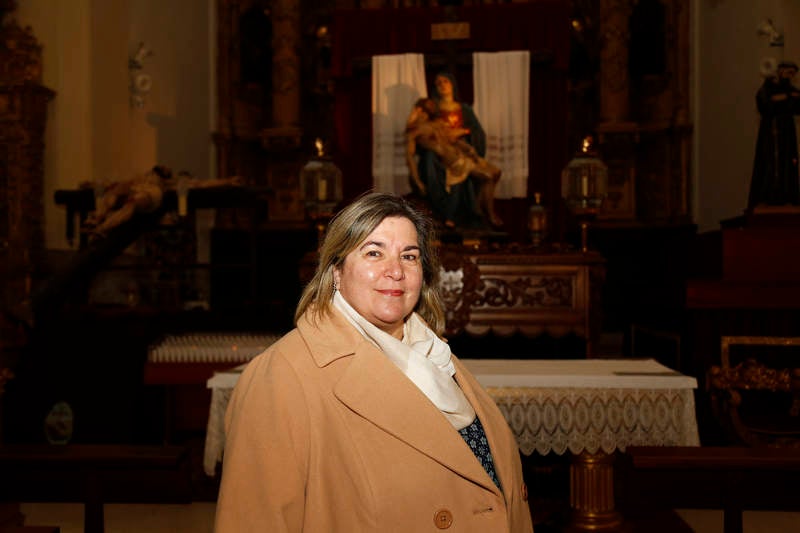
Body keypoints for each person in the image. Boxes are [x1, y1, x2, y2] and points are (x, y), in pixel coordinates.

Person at [215, 192, 533, 532]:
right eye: (373, 253)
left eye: (409, 256)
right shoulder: (281, 376)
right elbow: (255, 519)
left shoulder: (434, 354)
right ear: (336, 271)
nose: (395, 271)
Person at [411, 71, 500, 229]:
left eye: (445, 81)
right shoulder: (433, 108)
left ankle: (479, 211)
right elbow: (417, 130)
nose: (442, 85)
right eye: (438, 82)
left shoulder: (464, 109)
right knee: (443, 166)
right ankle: (460, 214)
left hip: (463, 150)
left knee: (493, 173)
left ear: (452, 84)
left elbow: (476, 131)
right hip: (442, 155)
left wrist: (463, 132)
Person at [83, 165, 243, 237]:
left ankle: (103, 228)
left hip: (149, 196)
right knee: (113, 193)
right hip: (136, 189)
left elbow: (202, 184)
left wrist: (228, 181)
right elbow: (113, 184)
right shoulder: (141, 177)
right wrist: (91, 185)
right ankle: (97, 219)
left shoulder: (169, 182)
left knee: (131, 203)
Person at [747, 60, 800, 209]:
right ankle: (769, 195)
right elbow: (765, 104)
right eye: (788, 72)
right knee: (771, 164)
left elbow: (795, 103)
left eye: (793, 74)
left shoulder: (789, 89)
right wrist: (784, 98)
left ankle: (788, 195)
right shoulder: (767, 89)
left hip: (787, 134)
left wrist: (787, 98)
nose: (790, 76)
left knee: (788, 163)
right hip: (771, 132)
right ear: (780, 71)